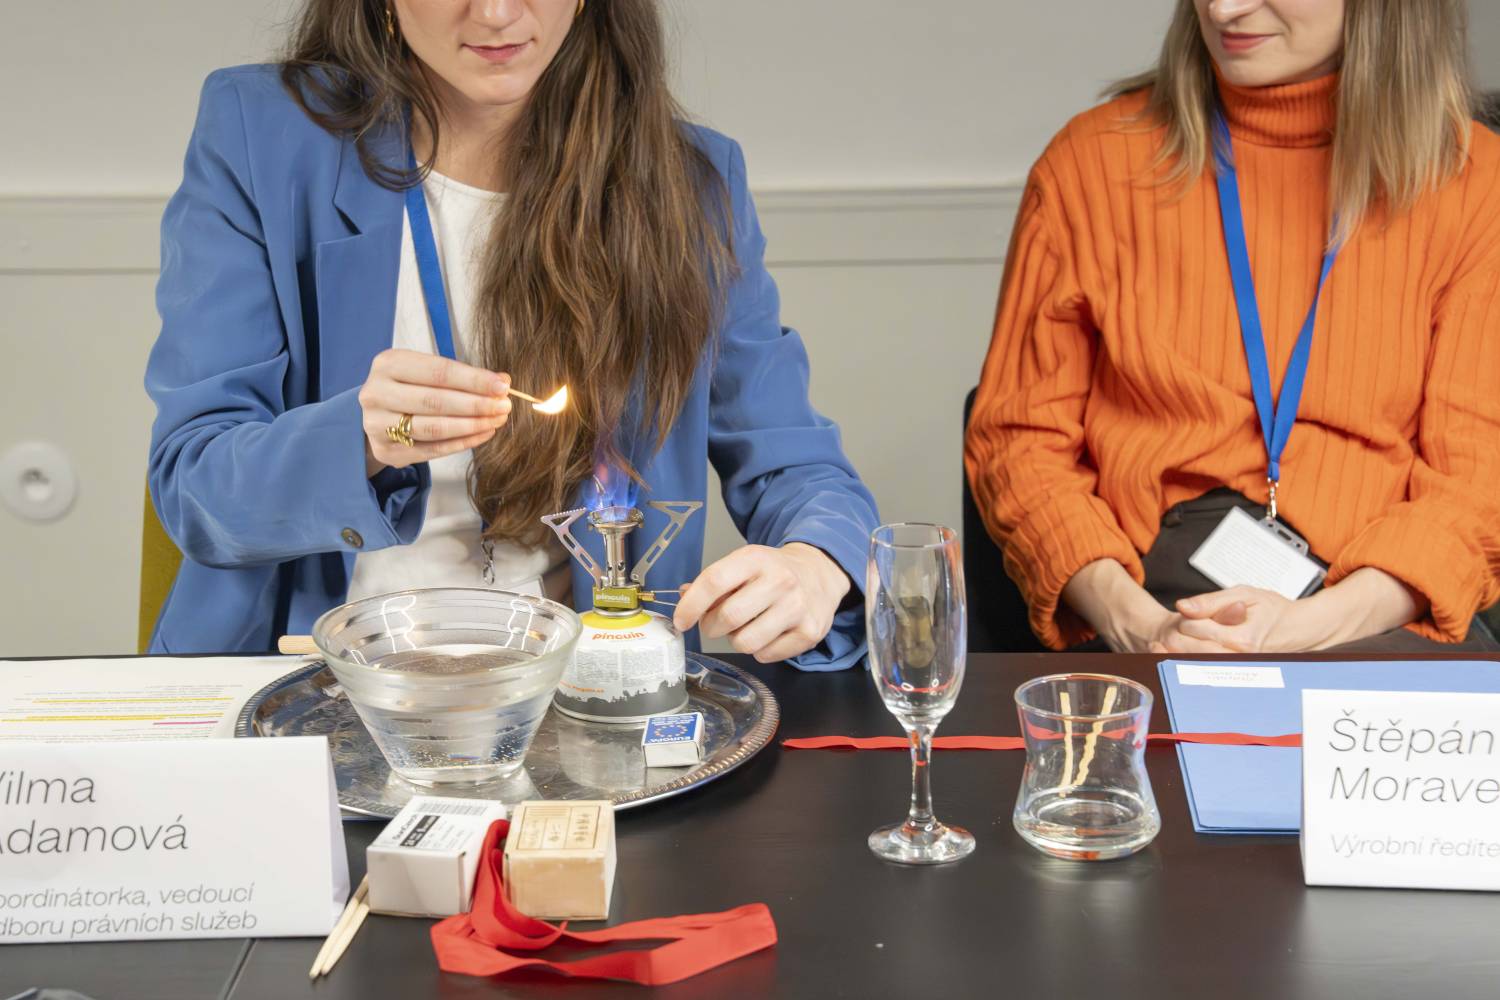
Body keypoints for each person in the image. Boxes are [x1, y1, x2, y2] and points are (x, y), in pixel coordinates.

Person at [145, 0, 877, 670]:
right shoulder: (261, 136)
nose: (496, 13)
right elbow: (194, 486)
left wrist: (814, 565)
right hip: (320, 685)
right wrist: (359, 440)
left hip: (579, 698)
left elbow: (798, 467)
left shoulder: (692, 183)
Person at [965, 0, 1500, 654]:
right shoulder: (1091, 162)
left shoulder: (1478, 184)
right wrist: (1137, 624)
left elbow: (1478, 483)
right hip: (1146, 606)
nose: (1223, 8)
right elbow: (1018, 442)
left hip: (1377, 610)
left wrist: (1311, 626)